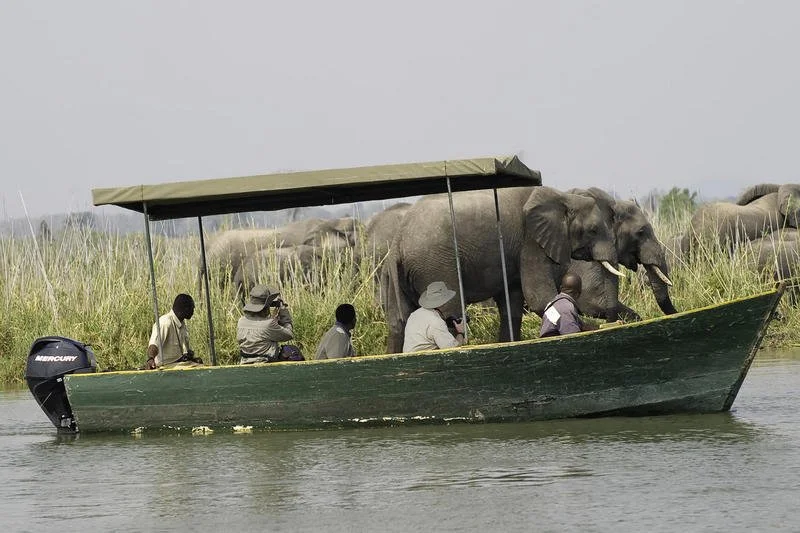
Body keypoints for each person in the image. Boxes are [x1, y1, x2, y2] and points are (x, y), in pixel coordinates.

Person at [237, 284, 294, 364]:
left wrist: (272, 320)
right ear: (266, 306)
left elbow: (261, 330)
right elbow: (289, 334)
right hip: (266, 364)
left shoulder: (241, 321)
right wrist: (284, 314)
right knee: (294, 352)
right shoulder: (269, 324)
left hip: (244, 362)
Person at [403, 281, 465, 352]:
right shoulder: (436, 322)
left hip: (409, 359)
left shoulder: (414, 315)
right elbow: (452, 350)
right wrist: (460, 332)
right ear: (443, 303)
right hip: (425, 361)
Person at [146, 293, 198, 369]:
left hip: (179, 364)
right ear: (185, 308)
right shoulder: (165, 322)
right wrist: (150, 359)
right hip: (167, 366)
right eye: (192, 307)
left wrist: (190, 356)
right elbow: (154, 344)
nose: (193, 311)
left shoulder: (182, 324)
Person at [539, 273, 598, 337]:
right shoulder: (566, 308)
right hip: (554, 345)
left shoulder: (553, 303)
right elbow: (573, 337)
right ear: (579, 293)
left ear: (561, 288)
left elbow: (579, 325)